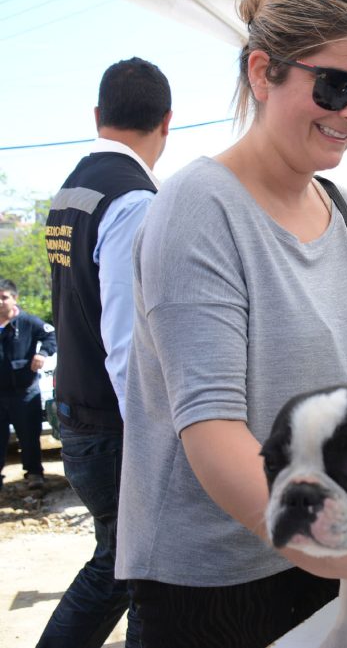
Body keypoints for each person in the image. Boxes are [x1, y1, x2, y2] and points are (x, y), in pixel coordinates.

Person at [114, 0, 347, 647]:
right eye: (338, 86)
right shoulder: (200, 208)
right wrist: (336, 547)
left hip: (325, 546)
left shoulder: (341, 212)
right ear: (262, 72)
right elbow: (212, 429)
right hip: (215, 587)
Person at [40, 56, 171, 648]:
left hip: (76, 408)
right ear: (167, 123)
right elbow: (125, 340)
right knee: (137, 569)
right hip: (113, 423)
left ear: (97, 115)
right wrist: (152, 434)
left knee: (125, 565)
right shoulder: (135, 200)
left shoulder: (74, 189)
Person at [0, 279, 56, 491]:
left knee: (29, 436)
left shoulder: (27, 322)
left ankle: (34, 474)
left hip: (24, 393)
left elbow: (51, 336)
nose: (0, 302)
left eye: (4, 297)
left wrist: (42, 354)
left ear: (15, 298)